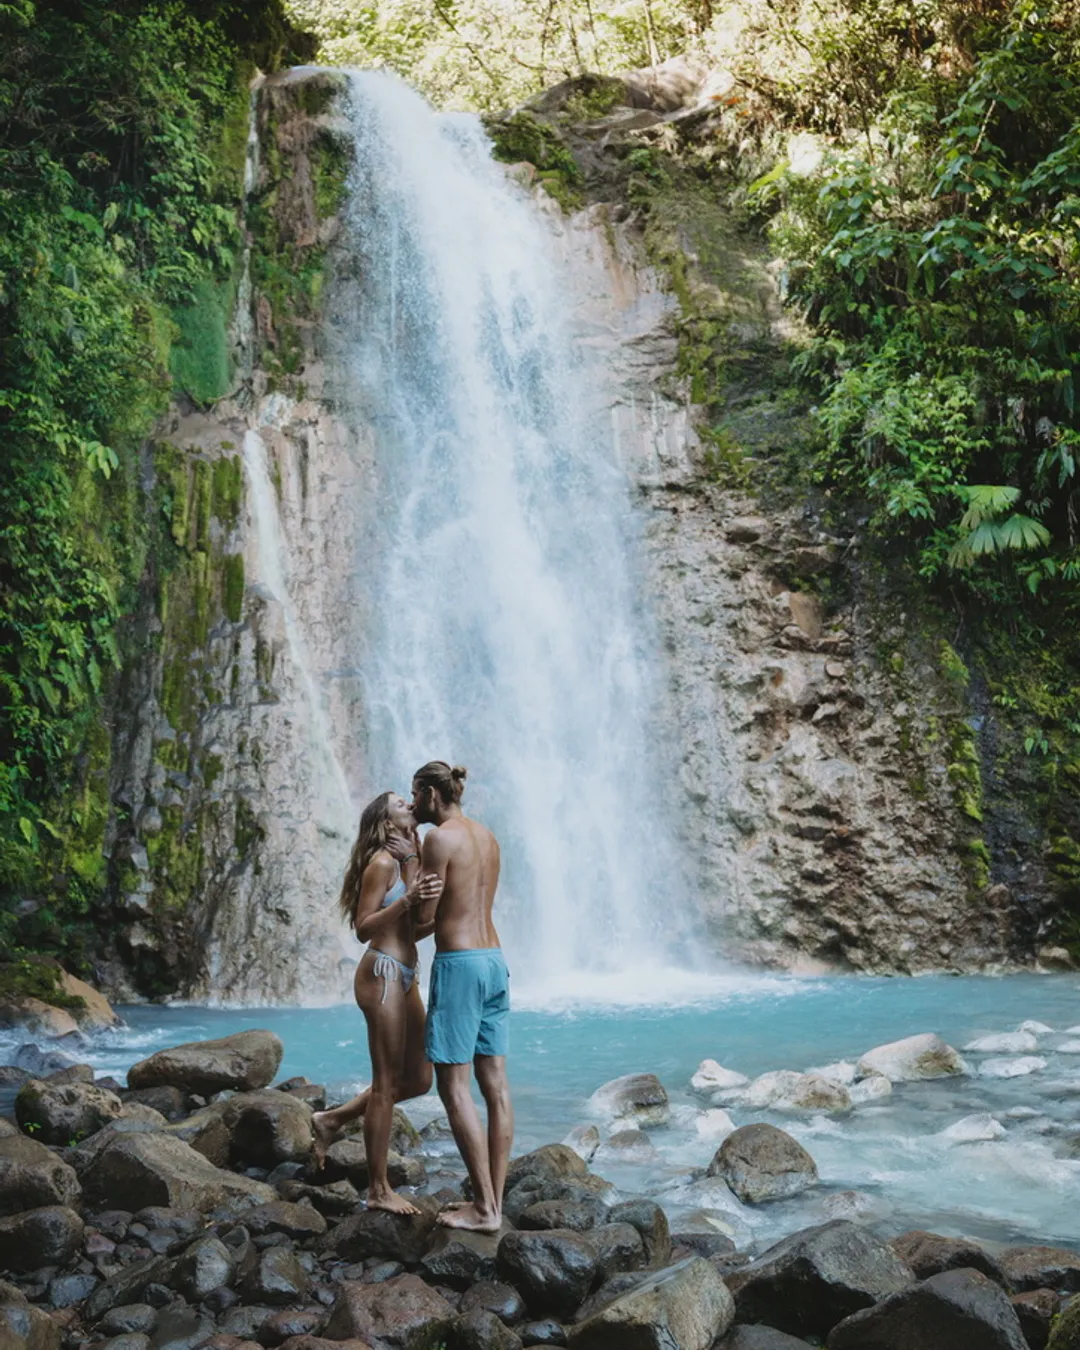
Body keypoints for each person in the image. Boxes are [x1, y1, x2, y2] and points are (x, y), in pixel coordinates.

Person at [311, 791, 443, 1214]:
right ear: (387, 824)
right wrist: (406, 900)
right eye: (401, 804)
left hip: (405, 975)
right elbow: (363, 927)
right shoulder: (381, 863)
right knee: (385, 1082)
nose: (411, 806)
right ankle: (379, 1190)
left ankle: (330, 1120)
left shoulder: (409, 860)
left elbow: (413, 931)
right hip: (381, 973)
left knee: (421, 1079)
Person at [411, 760, 512, 1233]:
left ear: (433, 794)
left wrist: (412, 882)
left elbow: (423, 922)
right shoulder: (488, 837)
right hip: (495, 961)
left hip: (460, 965)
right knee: (496, 1086)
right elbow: (472, 902)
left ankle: (484, 1210)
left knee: (453, 1086)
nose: (412, 806)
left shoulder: (438, 839)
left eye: (416, 797)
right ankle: (495, 1200)